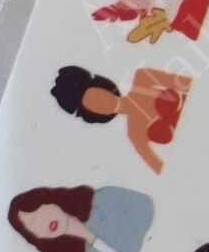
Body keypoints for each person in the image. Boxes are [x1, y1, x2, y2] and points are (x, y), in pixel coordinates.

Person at [50, 66, 191, 175]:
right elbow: (163, 169)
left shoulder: (144, 79)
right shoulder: (135, 134)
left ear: (103, 87)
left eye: (98, 96)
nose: (102, 103)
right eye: (95, 106)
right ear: (94, 115)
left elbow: (191, 84)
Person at [7, 185, 154, 252]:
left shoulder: (102, 200)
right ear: (35, 237)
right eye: (32, 223)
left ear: (52, 201)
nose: (43, 221)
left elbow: (145, 208)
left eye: (40, 209)